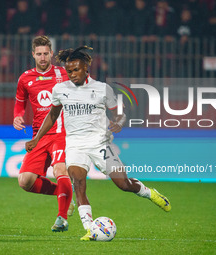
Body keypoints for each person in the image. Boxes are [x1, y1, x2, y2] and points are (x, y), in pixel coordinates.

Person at [25, 46, 171, 241]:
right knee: (78, 182)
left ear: (86, 69)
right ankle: (89, 229)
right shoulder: (60, 89)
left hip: (100, 144)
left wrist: (118, 122)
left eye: (76, 70)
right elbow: (53, 115)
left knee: (123, 184)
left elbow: (119, 112)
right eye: (69, 71)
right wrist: (37, 139)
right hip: (75, 145)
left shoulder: (102, 89)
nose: (72, 74)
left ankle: (149, 193)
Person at [13, 35, 74, 232]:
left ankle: (62, 218)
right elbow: (20, 103)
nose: (42, 57)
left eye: (46, 54)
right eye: (38, 54)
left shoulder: (63, 74)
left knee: (60, 170)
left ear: (51, 54)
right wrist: (18, 116)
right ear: (33, 54)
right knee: (25, 181)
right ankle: (63, 193)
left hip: (60, 133)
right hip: (39, 136)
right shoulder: (25, 78)